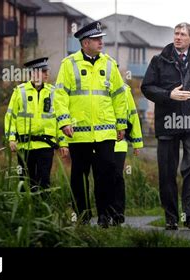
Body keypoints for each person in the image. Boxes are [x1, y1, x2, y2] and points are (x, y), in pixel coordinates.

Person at [54, 21, 128, 228]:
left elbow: (119, 96)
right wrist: (64, 122)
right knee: (79, 176)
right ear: (85, 42)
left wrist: (121, 124)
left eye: (101, 38)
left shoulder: (110, 64)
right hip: (79, 133)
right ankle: (83, 216)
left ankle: (104, 215)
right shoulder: (69, 64)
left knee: (105, 174)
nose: (101, 42)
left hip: (105, 133)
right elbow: (60, 95)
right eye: (97, 39)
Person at [141, 22, 190, 230]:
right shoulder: (159, 60)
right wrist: (168, 94)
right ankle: (171, 217)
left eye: (182, 34)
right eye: (176, 33)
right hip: (167, 123)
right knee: (167, 172)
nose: (178, 37)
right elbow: (146, 87)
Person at [4, 57, 69, 192]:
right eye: (43, 71)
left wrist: (63, 143)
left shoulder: (53, 92)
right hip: (24, 146)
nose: (47, 74)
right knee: (25, 182)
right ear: (34, 73)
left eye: (47, 71)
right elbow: (11, 117)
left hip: (46, 145)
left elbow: (59, 119)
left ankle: (42, 211)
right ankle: (27, 211)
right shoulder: (19, 92)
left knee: (44, 181)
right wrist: (11, 139)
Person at [107, 87, 143, 225]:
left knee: (117, 176)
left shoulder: (124, 89)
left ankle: (118, 213)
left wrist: (137, 142)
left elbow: (132, 115)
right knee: (103, 177)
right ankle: (105, 213)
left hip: (119, 143)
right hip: (100, 140)